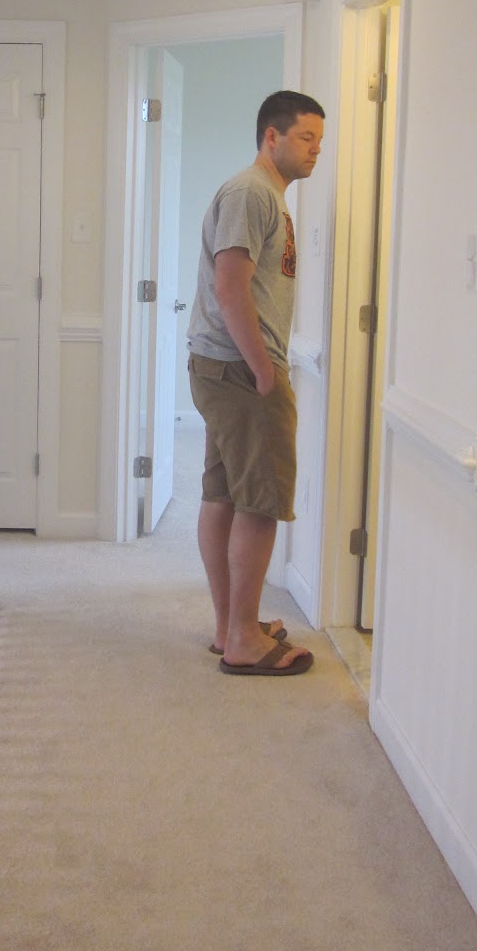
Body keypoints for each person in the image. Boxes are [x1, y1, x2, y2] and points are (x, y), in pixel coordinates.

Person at [186, 90, 325, 675]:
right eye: (304, 138)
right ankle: (244, 639)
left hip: (224, 366)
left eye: (320, 140)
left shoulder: (266, 196)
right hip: (242, 370)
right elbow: (230, 284)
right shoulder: (251, 192)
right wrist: (265, 369)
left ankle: (229, 628)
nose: (315, 150)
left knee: (224, 495)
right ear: (271, 136)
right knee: (260, 503)